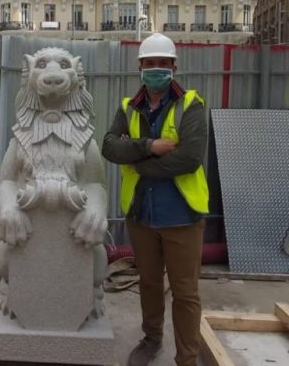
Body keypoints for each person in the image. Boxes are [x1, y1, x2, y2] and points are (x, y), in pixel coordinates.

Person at [102, 33, 209, 366]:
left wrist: (136, 160)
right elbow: (109, 147)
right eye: (150, 64)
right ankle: (151, 339)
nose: (157, 69)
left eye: (164, 63)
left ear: (174, 66)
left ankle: (187, 359)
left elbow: (189, 158)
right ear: (140, 67)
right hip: (142, 215)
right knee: (148, 282)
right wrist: (150, 146)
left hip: (181, 215)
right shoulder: (128, 107)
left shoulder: (191, 105)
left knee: (185, 292)